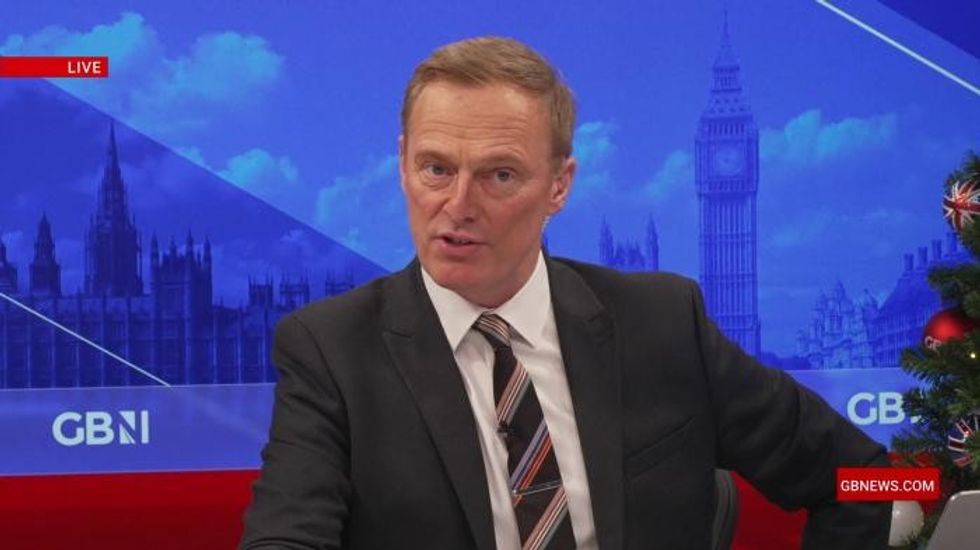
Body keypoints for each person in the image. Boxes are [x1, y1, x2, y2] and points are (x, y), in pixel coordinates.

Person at [240, 36, 890, 549]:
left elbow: (873, 479)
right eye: (436, 168)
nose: (457, 205)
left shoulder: (665, 323)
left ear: (559, 185)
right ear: (403, 163)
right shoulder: (330, 351)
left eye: (499, 175)